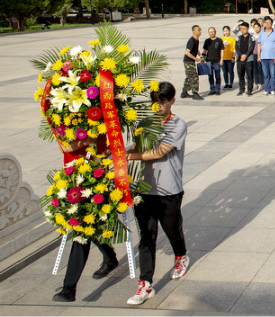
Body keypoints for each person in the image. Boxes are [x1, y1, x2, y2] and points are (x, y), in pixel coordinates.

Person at [125, 82, 191, 305]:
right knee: (147, 236)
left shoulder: (178, 125)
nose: (158, 106)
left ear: (172, 101)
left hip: (169, 188)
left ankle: (181, 255)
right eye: (155, 102)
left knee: (172, 229)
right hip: (144, 189)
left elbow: (159, 152)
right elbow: (137, 147)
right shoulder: (145, 123)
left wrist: (127, 157)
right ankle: (145, 284)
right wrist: (118, 153)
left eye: (162, 102)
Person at [51, 131, 118, 303]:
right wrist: (87, 140)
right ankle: (110, 257)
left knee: (82, 231)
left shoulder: (98, 115)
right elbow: (65, 147)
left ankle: (69, 288)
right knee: (86, 226)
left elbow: (107, 139)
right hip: (73, 177)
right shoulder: (57, 114)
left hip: (96, 175)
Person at [256, 18, 275, 97]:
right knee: (266, 75)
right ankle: (266, 90)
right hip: (263, 57)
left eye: (269, 22)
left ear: (272, 23)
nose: (267, 24)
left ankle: (272, 89)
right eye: (266, 22)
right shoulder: (261, 33)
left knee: (273, 74)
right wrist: (258, 56)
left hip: (272, 57)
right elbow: (259, 45)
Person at [181, 25, 203, 101]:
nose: (200, 31)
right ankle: (195, 93)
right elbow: (187, 52)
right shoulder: (192, 40)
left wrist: (200, 55)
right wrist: (195, 58)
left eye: (200, 30)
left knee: (189, 77)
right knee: (194, 77)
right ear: (194, 31)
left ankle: (184, 92)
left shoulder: (196, 39)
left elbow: (196, 49)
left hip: (190, 61)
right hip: (188, 62)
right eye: (198, 30)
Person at [202, 27, 224, 96]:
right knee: (210, 76)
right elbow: (205, 50)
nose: (211, 33)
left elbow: (222, 50)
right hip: (209, 61)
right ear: (208, 33)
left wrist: (221, 60)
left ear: (215, 32)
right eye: (210, 32)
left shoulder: (219, 40)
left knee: (217, 76)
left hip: (217, 61)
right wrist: (202, 57)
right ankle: (212, 89)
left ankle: (217, 89)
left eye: (213, 31)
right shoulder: (207, 41)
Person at [221, 26, 236, 90]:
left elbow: (234, 49)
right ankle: (226, 83)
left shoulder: (232, 39)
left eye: (227, 31)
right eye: (224, 31)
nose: (226, 32)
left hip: (230, 58)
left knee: (230, 71)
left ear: (229, 31)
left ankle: (231, 83)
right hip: (223, 58)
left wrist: (233, 57)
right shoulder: (221, 39)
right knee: (224, 71)